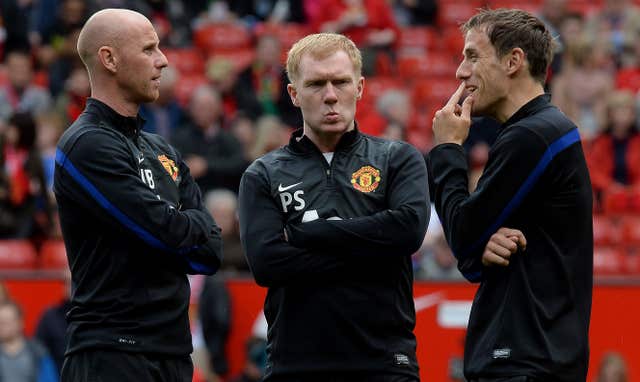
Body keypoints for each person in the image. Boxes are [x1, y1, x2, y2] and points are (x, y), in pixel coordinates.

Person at [238, 33, 430, 381]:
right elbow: (267, 264)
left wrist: (305, 234)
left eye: (340, 82)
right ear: (294, 94)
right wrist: (372, 242)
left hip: (385, 363)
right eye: (315, 84)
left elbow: (408, 230)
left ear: (359, 87)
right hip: (295, 365)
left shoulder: (397, 159)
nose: (330, 95)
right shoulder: (263, 174)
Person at [53, 8, 223, 382]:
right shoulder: (86, 145)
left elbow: (211, 251)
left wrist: (180, 228)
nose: (162, 61)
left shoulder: (162, 148)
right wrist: (184, 224)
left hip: (173, 354)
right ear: (109, 59)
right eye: (149, 49)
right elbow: (161, 231)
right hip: (111, 355)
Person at [427, 8, 593, 382]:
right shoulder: (544, 129)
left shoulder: (532, 135)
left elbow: (463, 243)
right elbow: (474, 245)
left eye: (472, 56)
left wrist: (448, 148)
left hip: (524, 360)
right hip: (539, 357)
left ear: (513, 61)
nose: (460, 72)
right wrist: (480, 244)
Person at [0, 300, 59, 382]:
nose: (2, 326)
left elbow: (49, 379)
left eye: (7, 321)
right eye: (0, 322)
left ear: (20, 322)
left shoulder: (38, 351)